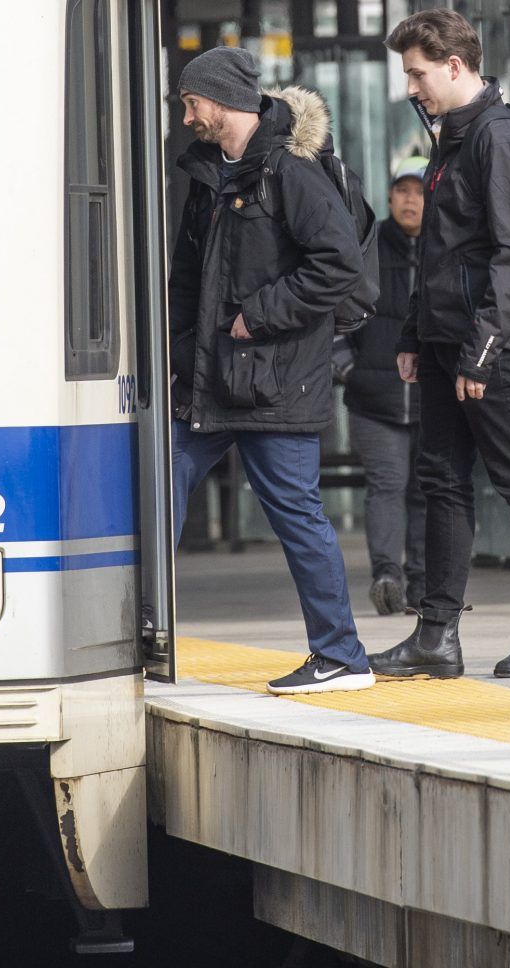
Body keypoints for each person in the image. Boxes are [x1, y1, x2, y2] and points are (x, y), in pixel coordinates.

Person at [369, 8, 510, 681]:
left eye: (418, 73)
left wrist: (481, 350)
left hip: (494, 346)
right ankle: (436, 634)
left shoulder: (500, 138)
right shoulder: (452, 136)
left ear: (455, 66)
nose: (411, 86)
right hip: (444, 341)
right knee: (442, 483)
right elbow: (442, 248)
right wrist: (414, 334)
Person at [167, 46, 373, 696]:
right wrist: (177, 356)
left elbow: (339, 263)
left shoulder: (290, 171)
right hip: (214, 381)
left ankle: (341, 656)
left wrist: (260, 316)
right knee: (156, 485)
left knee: (296, 514)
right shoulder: (208, 177)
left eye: (189, 100)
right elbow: (186, 281)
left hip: (275, 381)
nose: (184, 112)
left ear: (221, 99)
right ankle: (137, 633)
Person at [342, 157, 431, 617]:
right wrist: (345, 364)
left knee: (425, 489)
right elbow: (339, 302)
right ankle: (387, 576)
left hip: (431, 398)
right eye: (402, 191)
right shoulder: (369, 244)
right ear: (390, 196)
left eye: (418, 191)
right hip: (374, 397)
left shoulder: (446, 246)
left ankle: (420, 580)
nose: (410, 200)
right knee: (387, 485)